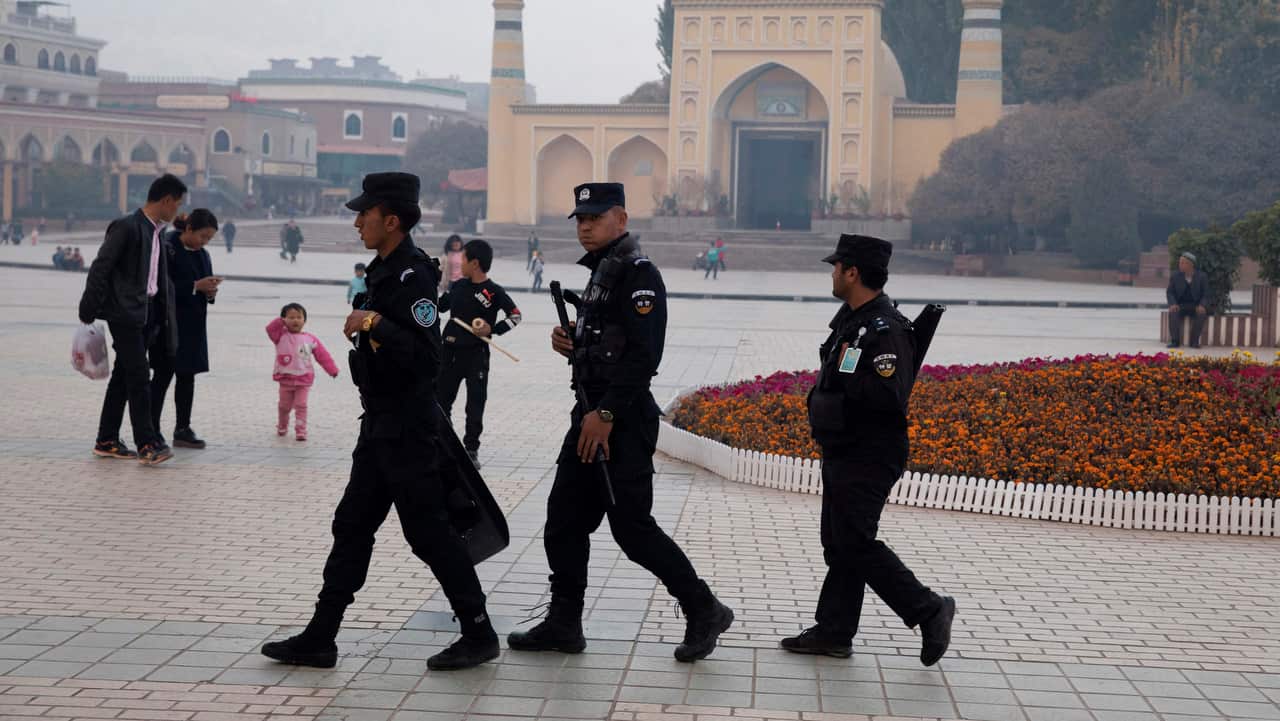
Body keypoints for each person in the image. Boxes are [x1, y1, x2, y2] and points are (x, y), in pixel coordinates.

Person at [260, 172, 500, 671]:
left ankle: (478, 632)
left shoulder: (413, 275)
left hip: (409, 429)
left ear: (391, 220)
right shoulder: (382, 270)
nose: (356, 222)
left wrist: (373, 323)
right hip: (380, 424)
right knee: (351, 526)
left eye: (364, 214)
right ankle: (321, 636)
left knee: (429, 534)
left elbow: (426, 356)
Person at [508, 182, 734, 662]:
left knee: (632, 529)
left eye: (595, 218)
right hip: (589, 416)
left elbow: (643, 357)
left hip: (621, 421)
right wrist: (574, 343)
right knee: (563, 522)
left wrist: (607, 414)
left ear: (622, 220)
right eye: (581, 220)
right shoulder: (601, 275)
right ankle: (564, 624)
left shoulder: (639, 276)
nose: (585, 227)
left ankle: (704, 608)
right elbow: (610, 345)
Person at [781, 234, 956, 665]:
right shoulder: (853, 321)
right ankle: (835, 631)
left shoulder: (884, 329)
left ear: (853, 272)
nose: (833, 273)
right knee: (839, 544)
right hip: (845, 448)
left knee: (855, 542)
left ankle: (928, 608)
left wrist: (842, 395)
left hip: (870, 451)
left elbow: (888, 395)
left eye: (837, 267)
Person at [78, 173, 185, 466]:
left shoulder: (156, 232)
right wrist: (88, 307)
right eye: (176, 204)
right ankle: (147, 443)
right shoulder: (127, 227)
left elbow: (156, 278)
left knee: (125, 377)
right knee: (139, 375)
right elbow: (101, 266)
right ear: (165, 200)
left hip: (145, 314)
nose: (177, 210)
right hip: (124, 314)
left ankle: (107, 439)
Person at [437, 239, 522, 465]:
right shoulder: (458, 286)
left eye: (463, 259)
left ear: (474, 263)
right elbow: (438, 306)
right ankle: (444, 442)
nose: (459, 263)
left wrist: (492, 329)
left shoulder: (494, 292)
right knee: (441, 399)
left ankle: (471, 449)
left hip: (476, 354)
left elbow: (516, 316)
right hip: (450, 352)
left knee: (475, 403)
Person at [150, 210, 222, 449]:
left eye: (208, 239)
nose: (204, 242)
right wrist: (194, 286)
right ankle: (150, 429)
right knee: (162, 376)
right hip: (169, 324)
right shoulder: (167, 247)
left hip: (193, 325)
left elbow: (204, 284)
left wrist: (210, 291)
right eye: (203, 236)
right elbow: (160, 285)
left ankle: (183, 428)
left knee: (187, 376)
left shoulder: (203, 255)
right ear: (189, 228)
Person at [266, 303, 339, 441]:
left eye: (299, 317)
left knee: (301, 405)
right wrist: (280, 321)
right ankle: (282, 425)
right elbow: (270, 329)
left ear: (304, 320)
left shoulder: (310, 339)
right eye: (291, 317)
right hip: (285, 378)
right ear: (284, 320)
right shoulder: (279, 336)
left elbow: (322, 356)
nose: (295, 320)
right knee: (284, 406)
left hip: (303, 379)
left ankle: (301, 430)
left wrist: (332, 370)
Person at [1167, 251, 1209, 349]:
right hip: (1180, 305)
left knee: (1201, 313)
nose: (1180, 265)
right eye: (1180, 262)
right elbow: (1170, 292)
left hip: (1196, 305)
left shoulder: (1202, 277)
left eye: (1182, 263)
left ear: (1190, 264)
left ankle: (1194, 342)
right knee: (1173, 312)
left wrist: (1202, 305)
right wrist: (1172, 304)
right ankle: (1175, 341)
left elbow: (1206, 294)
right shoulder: (1175, 276)